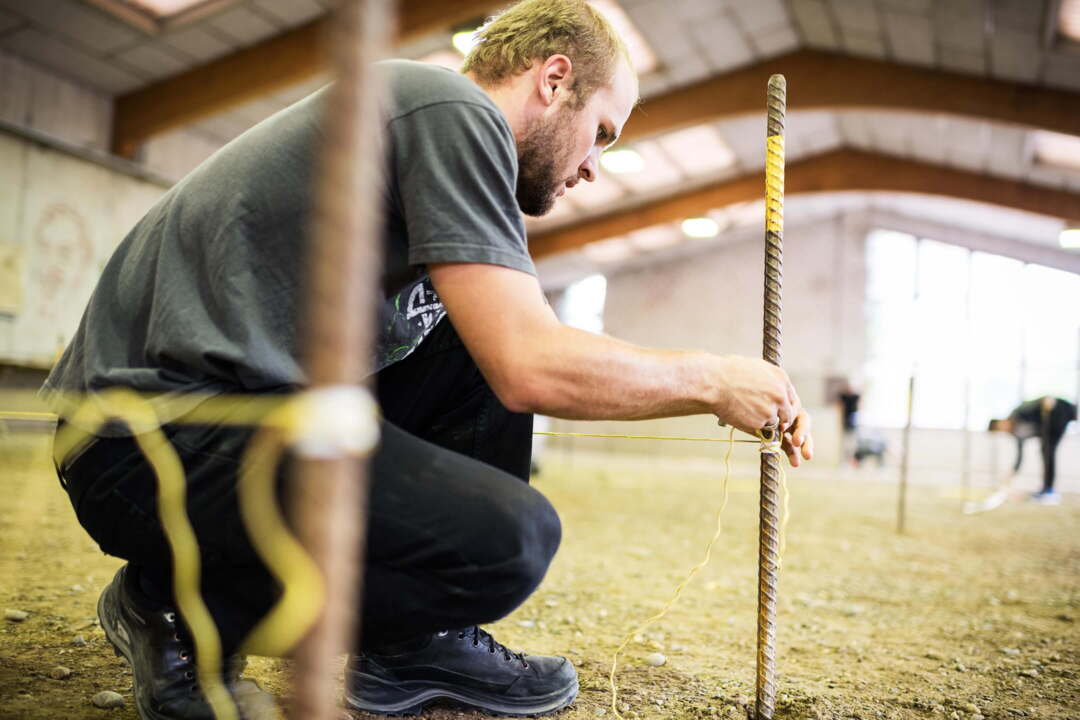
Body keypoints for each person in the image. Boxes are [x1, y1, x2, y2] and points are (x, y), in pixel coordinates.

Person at [42, 1, 814, 718]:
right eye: (603, 133)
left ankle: (410, 646)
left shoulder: (429, 136)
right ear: (553, 78)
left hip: (219, 423)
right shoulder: (451, 109)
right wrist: (715, 380)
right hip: (146, 441)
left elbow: (504, 350)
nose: (592, 168)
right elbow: (531, 363)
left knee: (459, 338)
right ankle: (179, 612)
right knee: (509, 541)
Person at [989, 396, 1076, 506]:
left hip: (1058, 410)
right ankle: (1046, 489)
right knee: (1045, 451)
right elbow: (1020, 457)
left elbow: (1041, 401)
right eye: (1000, 431)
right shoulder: (1016, 433)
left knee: (1048, 451)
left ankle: (1048, 490)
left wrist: (1047, 401)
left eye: (1001, 426)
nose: (1004, 429)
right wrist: (1012, 472)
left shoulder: (1018, 413)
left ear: (1002, 421)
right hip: (1049, 429)